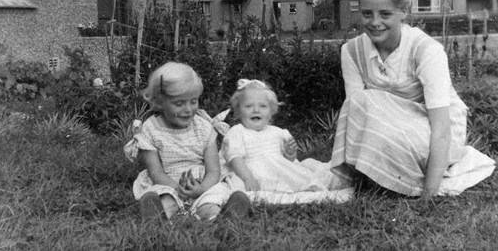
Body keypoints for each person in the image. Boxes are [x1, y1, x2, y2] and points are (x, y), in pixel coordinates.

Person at [331, 0, 495, 199]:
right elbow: (357, 116)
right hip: (391, 127)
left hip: (435, 131)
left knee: (366, 103)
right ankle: (372, 179)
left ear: (404, 12)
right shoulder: (351, 51)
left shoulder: (426, 50)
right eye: (367, 13)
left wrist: (429, 193)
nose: (375, 22)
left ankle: (404, 180)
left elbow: (441, 129)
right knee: (357, 102)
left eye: (385, 14)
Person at [129, 62, 250, 221]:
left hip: (201, 182)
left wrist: (202, 188)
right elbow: (156, 172)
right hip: (168, 182)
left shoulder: (204, 128)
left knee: (211, 199)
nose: (188, 109)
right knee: (165, 198)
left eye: (193, 101)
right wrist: (177, 188)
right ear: (160, 102)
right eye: (179, 103)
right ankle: (160, 217)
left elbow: (213, 170)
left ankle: (222, 219)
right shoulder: (151, 129)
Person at [221, 79, 347, 193]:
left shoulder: (277, 132)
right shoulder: (237, 131)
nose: (256, 110)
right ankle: (315, 185)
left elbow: (289, 161)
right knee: (291, 179)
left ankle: (331, 180)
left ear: (271, 111)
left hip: (280, 168)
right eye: (248, 106)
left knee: (302, 170)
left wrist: (290, 153)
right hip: (256, 173)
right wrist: (247, 178)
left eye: (263, 106)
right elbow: (235, 158)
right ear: (238, 110)